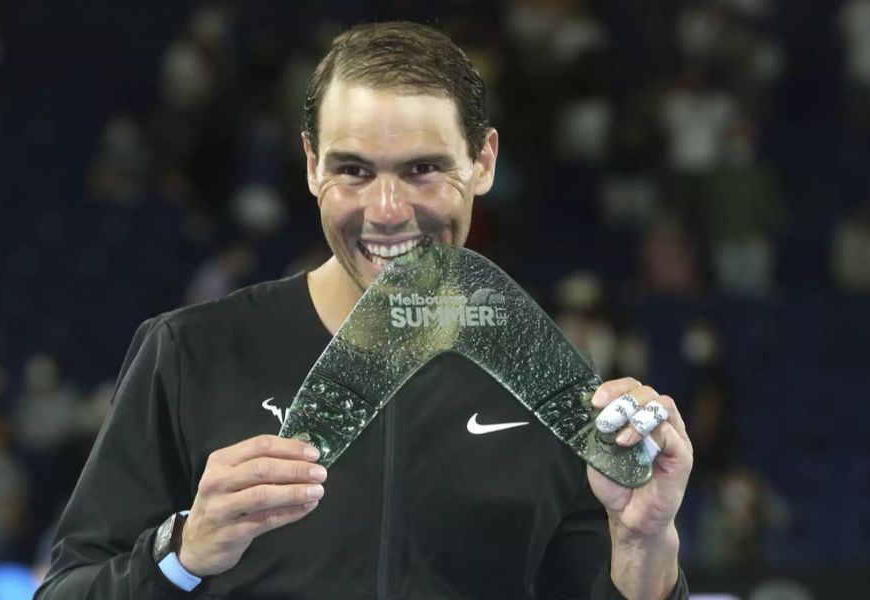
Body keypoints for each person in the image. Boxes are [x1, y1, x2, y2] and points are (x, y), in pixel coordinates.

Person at [36, 21, 692, 599]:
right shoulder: (191, 353)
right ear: (312, 165)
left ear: (484, 160)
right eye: (353, 171)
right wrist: (183, 553)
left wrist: (643, 544)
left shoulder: (550, 386)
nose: (386, 211)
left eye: (423, 169)